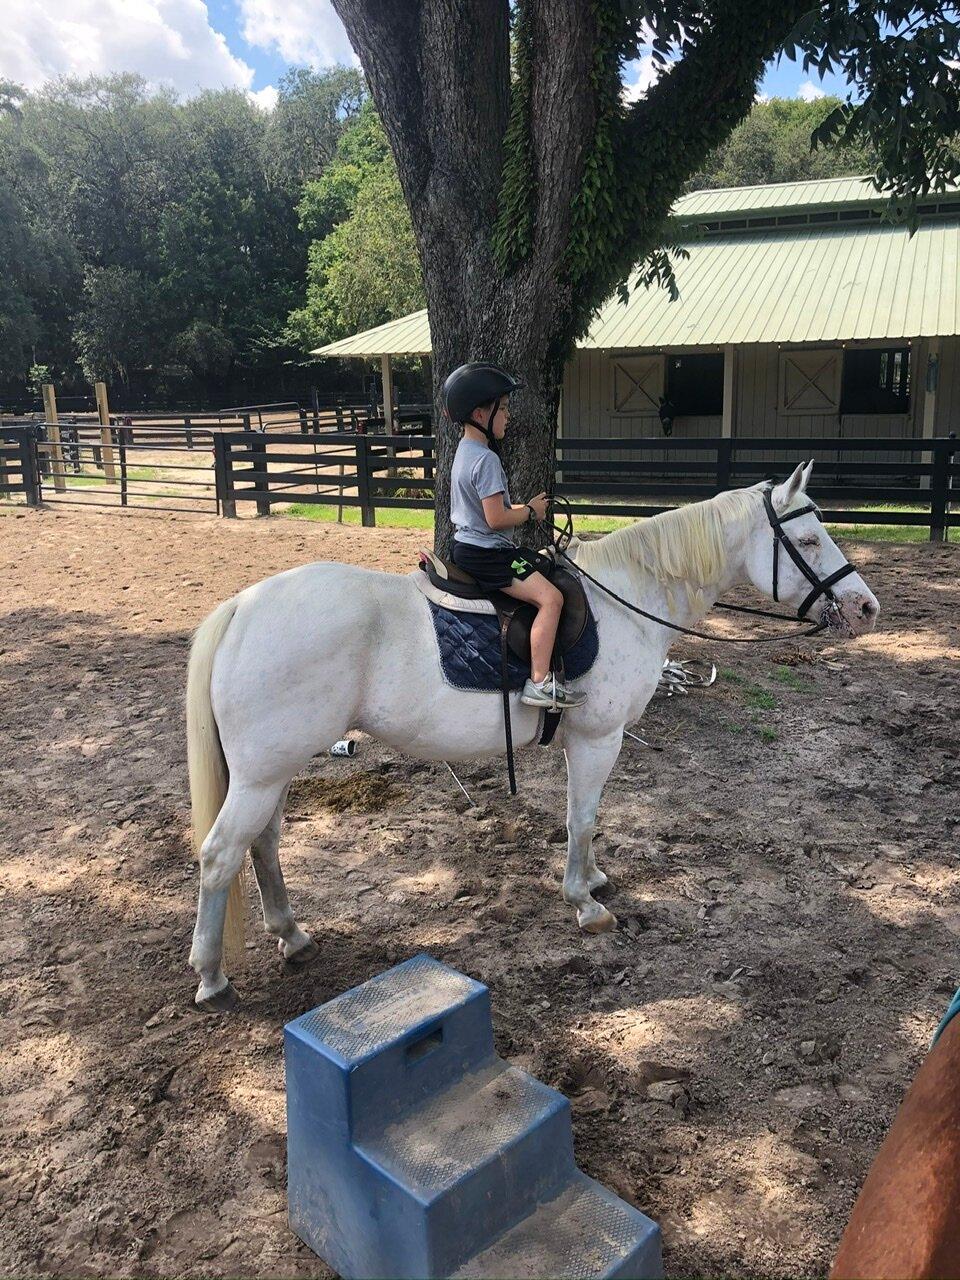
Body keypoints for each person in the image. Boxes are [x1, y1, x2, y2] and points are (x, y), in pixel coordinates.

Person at [442, 362, 586, 710]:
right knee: (551, 598)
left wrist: (522, 506)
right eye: (502, 408)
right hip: (489, 555)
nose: (507, 416)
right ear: (480, 413)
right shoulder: (487, 459)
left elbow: (485, 510)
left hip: (468, 547)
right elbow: (495, 519)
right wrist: (531, 512)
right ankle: (539, 682)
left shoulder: (464, 452)